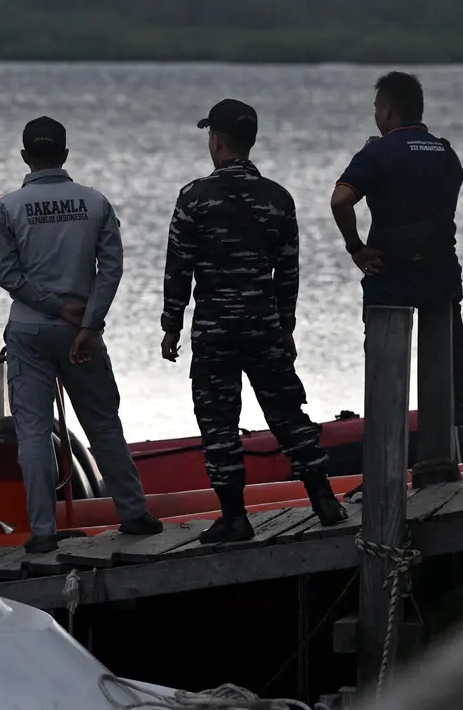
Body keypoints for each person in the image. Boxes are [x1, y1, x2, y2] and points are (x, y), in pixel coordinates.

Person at [161, 99, 348, 544]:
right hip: (264, 326)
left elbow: (178, 267)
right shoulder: (278, 198)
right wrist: (285, 327)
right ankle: (324, 499)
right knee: (287, 412)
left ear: (217, 140)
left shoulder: (194, 197)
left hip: (216, 330)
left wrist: (171, 323)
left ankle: (233, 516)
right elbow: (289, 271)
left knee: (218, 421)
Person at [0, 116, 162, 554]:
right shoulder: (95, 202)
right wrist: (88, 324)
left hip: (28, 329)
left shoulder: (8, 207)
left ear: (26, 156)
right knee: (103, 423)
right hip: (80, 332)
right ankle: (134, 513)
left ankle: (42, 532)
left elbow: (4, 271)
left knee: (32, 431)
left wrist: (48, 305)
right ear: (65, 154)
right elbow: (112, 269)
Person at [331, 71, 463, 427]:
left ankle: (386, 425)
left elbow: (341, 200)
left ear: (387, 110)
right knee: (445, 346)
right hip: (439, 271)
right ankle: (456, 404)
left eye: (376, 108)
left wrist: (356, 248)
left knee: (387, 372)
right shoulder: (447, 154)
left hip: (390, 271)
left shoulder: (377, 153)